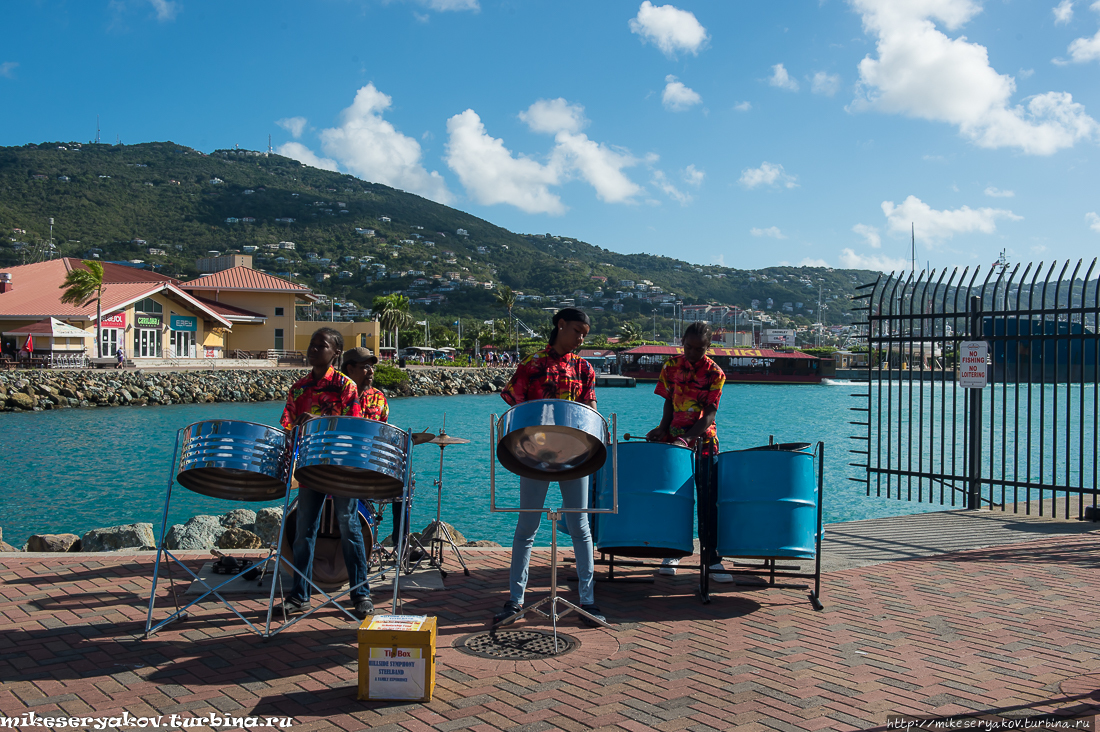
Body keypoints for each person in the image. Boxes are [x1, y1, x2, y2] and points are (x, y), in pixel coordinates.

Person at [494, 307, 605, 628]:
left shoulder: (584, 368)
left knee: (580, 528)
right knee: (526, 529)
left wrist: (592, 434)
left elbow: (591, 409)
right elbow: (517, 407)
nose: (581, 338)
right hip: (536, 453)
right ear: (560, 325)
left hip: (573, 453)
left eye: (585, 334)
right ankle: (514, 601)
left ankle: (588, 601)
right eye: (577, 331)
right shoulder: (532, 364)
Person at [276, 327, 375, 620]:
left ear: (335, 354)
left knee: (349, 527)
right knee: (303, 532)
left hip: (340, 468)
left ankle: (360, 594)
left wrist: (318, 421)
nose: (314, 349)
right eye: (312, 344)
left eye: (322, 345)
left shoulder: (346, 387)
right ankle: (300, 595)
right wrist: (294, 431)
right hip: (310, 468)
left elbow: (354, 427)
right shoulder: (298, 388)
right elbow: (286, 427)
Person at [645, 321, 733, 583]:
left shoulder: (715, 374)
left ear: (709, 347)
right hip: (674, 442)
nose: (693, 353)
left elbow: (709, 415)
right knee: (675, 499)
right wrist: (662, 429)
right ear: (682, 342)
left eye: (699, 349)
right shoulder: (671, 366)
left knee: (708, 502)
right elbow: (669, 403)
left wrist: (688, 438)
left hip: (703, 443)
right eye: (688, 347)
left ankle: (712, 559)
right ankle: (673, 551)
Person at [340, 346, 418, 560]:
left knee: (404, 482)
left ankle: (401, 545)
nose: (372, 372)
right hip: (342, 466)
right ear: (350, 369)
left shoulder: (379, 398)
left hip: (371, 464)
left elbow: (383, 431)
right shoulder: (337, 396)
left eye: (372, 367)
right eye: (366, 367)